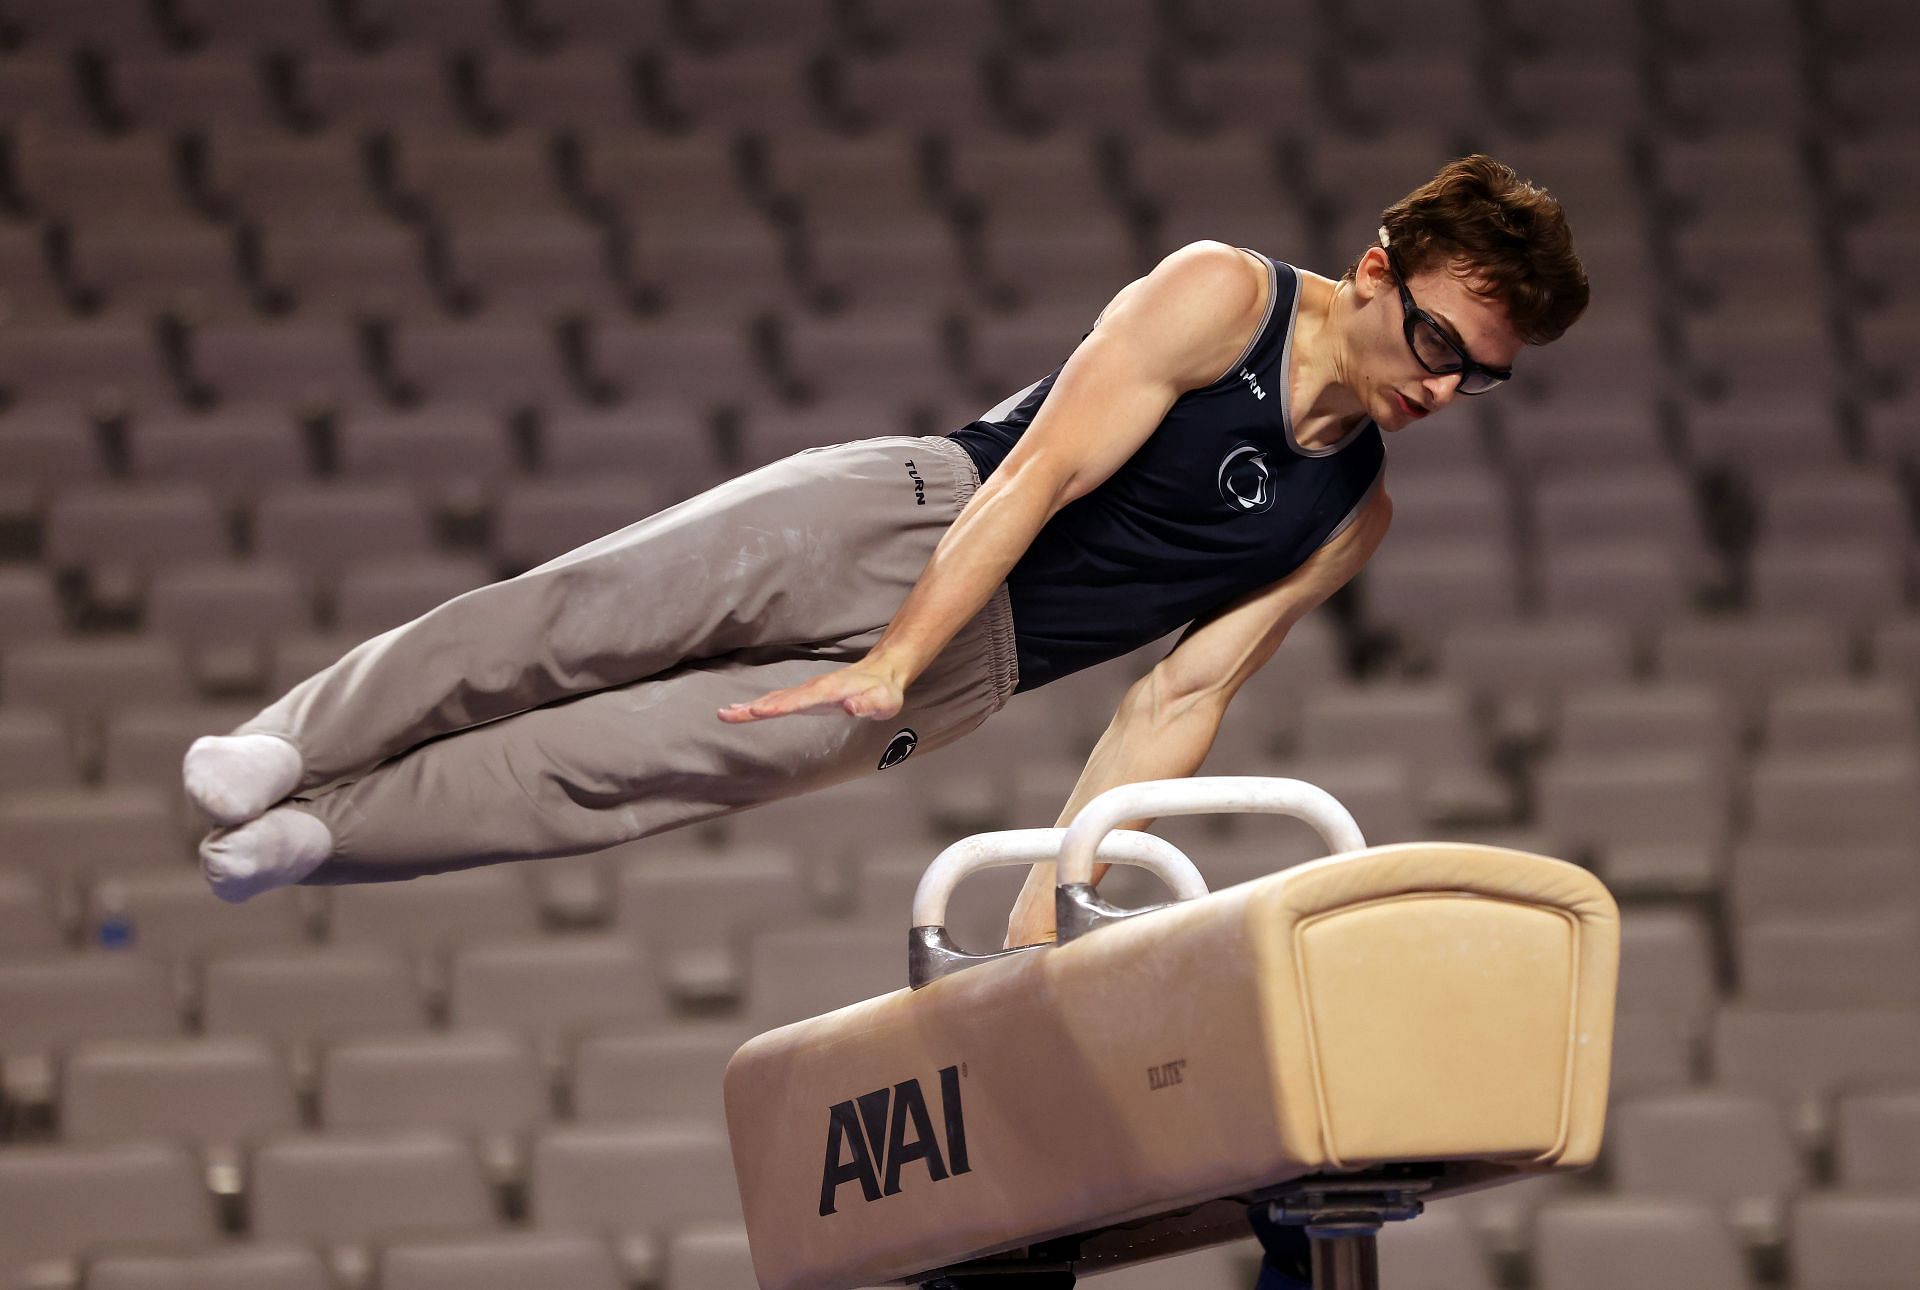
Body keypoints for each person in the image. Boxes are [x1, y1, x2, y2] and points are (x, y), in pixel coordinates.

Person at [184, 155, 1587, 955]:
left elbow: (1179, 700)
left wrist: (1056, 914)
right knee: (575, 620)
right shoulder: (1221, 294)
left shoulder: (1351, 517)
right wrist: (894, 646)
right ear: (1375, 268)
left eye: (1486, 378)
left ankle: (320, 835)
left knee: (617, 771)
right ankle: (294, 741)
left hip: (967, 676)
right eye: (1441, 343)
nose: (1447, 387)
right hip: (907, 516)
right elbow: (1042, 478)